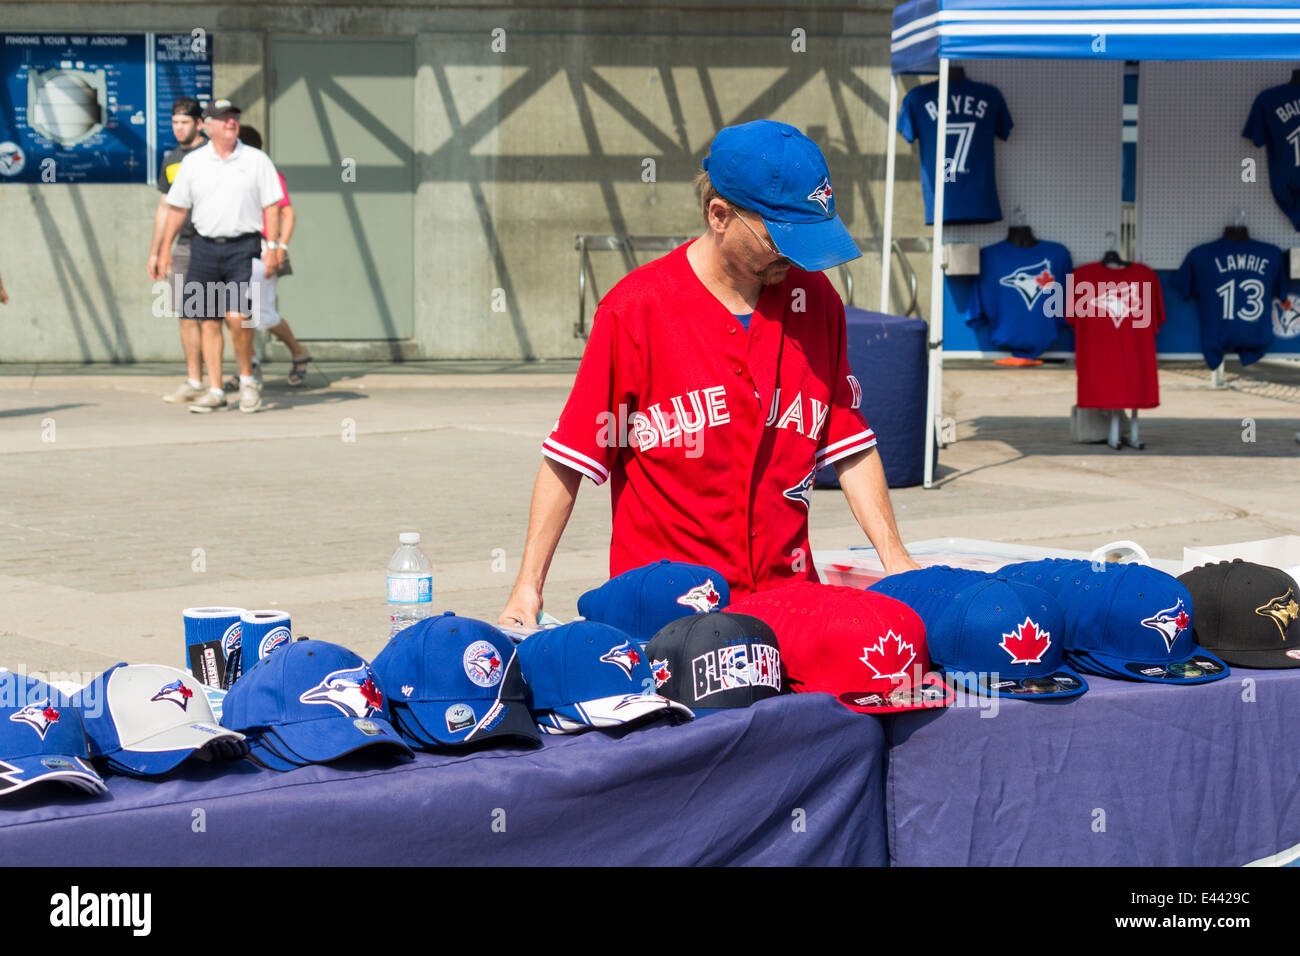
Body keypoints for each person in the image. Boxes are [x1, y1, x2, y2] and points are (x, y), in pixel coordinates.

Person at [499, 120, 919, 627]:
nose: (794, 256)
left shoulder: (817, 302)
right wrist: (527, 587)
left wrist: (895, 560)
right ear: (719, 215)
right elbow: (569, 459)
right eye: (778, 238)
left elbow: (849, 445)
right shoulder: (635, 311)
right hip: (669, 614)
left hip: (787, 604)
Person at [157, 99, 283, 414]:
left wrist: (274, 247)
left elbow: (272, 207)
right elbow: (177, 209)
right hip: (203, 247)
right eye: (222, 118)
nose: (230, 122)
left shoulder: (256, 160)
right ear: (207, 126)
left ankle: (247, 381)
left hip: (244, 247)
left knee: (238, 317)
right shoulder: (194, 163)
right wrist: (162, 250)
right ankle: (215, 390)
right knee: (208, 320)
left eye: (233, 117)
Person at [235, 125, 313, 386]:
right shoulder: (231, 177)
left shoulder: (269, 175)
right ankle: (250, 362)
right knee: (236, 311)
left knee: (262, 315)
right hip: (238, 250)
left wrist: (279, 249)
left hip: (266, 251)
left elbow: (287, 214)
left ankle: (298, 351)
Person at [148, 97, 207, 404]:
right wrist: (157, 251)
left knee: (225, 316)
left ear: (199, 123)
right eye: (174, 122)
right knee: (187, 315)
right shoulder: (171, 159)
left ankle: (243, 373)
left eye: (184, 122)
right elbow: (165, 206)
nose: (178, 128)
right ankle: (195, 381)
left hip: (214, 243)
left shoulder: (212, 155)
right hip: (184, 247)